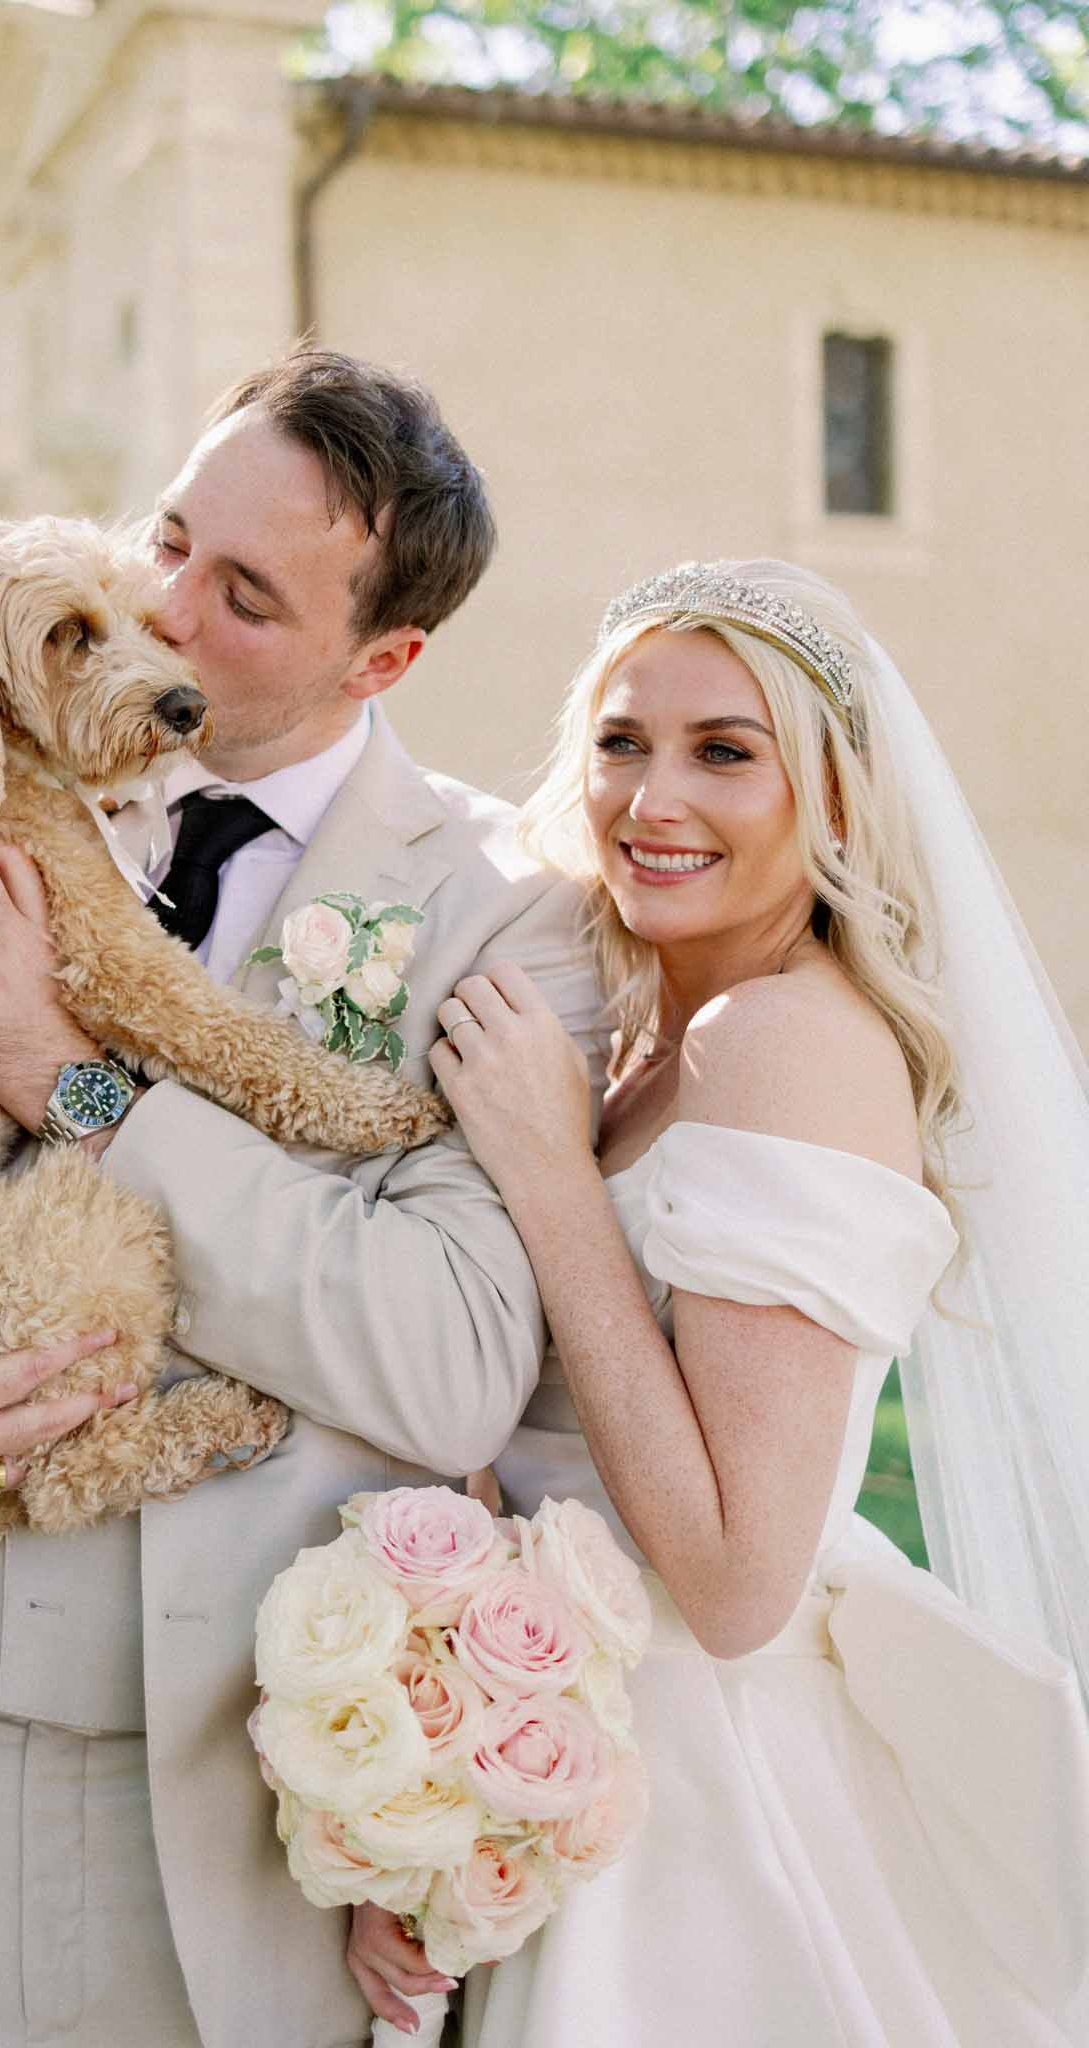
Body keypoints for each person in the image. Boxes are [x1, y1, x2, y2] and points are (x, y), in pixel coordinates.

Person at [0, 349, 606, 2047]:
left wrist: (63, 1075)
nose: (157, 609)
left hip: (221, 1799)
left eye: (242, 596)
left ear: (384, 658)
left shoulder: (499, 914)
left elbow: (442, 1355)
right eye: (165, 539)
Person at [349, 557, 1089, 2044]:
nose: (651, 798)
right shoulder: (643, 1037)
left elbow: (740, 1584)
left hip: (705, 1805)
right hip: (566, 1748)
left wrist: (555, 1183)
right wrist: (432, 1795)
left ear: (829, 799)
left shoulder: (788, 1040)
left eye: (725, 752)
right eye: (622, 742)